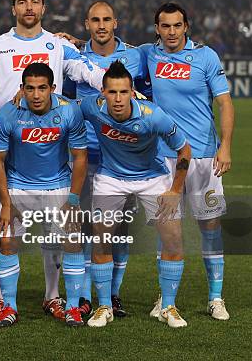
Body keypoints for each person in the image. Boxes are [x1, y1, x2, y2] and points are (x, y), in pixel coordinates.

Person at [0, 0, 104, 323]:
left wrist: (124, 89)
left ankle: (53, 297)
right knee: (5, 231)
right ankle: (1, 298)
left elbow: (92, 73)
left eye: (34, 2)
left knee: (57, 235)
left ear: (43, 8)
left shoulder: (57, 46)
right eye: (22, 2)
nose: (28, 8)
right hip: (6, 153)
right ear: (13, 9)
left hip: (50, 152)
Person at [138, 3, 234, 321]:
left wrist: (226, 147)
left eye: (177, 25)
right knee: (168, 231)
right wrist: (75, 42)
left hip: (205, 157)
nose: (171, 32)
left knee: (210, 227)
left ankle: (216, 298)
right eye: (165, 26)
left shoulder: (205, 57)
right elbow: (112, 50)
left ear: (186, 26)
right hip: (163, 157)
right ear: (157, 29)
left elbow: (224, 102)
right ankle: (166, 299)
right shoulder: (148, 54)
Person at [80, 61, 191, 328]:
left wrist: (175, 190)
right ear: (102, 93)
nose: (118, 99)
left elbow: (184, 150)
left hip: (153, 179)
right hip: (110, 179)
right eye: (112, 92)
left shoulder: (153, 115)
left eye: (123, 92)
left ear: (133, 92)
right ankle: (104, 306)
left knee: (173, 239)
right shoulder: (90, 107)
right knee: (101, 239)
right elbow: (54, 105)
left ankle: (168, 306)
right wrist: (20, 99)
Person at [64, 1, 148, 318]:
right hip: (85, 153)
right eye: (95, 20)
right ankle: (86, 295)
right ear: (86, 24)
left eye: (107, 20)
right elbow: (67, 100)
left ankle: (112, 295)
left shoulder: (135, 56)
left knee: (119, 229)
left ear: (116, 22)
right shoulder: (74, 57)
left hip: (123, 156)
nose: (101, 25)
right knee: (86, 227)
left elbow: (145, 98)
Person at [0, 63, 88, 327]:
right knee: (8, 242)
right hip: (17, 186)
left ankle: (65, 303)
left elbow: (80, 157)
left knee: (71, 243)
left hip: (58, 185)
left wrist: (74, 200)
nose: (36, 95)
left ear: (52, 89)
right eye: (30, 88)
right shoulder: (8, 113)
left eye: (42, 88)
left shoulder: (69, 111)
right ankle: (8, 306)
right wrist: (5, 203)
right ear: (21, 89)